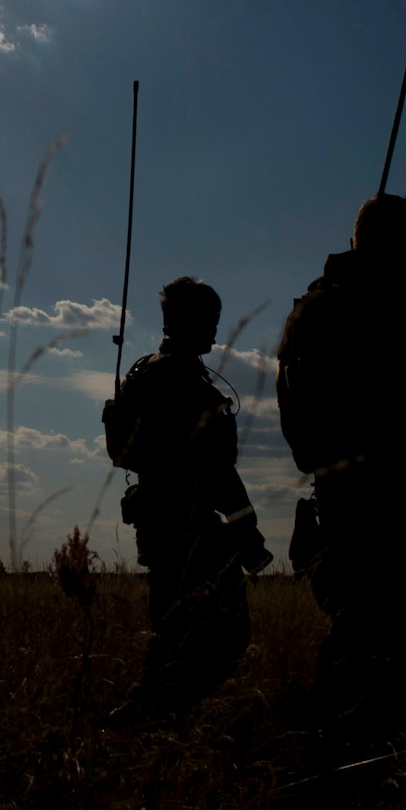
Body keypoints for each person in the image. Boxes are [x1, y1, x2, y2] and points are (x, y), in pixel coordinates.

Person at [276, 194, 406, 739]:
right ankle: (328, 753)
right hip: (358, 499)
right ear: (383, 244)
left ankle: (374, 752)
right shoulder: (327, 311)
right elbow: (310, 416)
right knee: (364, 626)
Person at [103, 276, 273, 717]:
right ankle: (154, 716)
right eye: (209, 319)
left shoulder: (147, 373)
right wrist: (247, 526)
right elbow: (215, 470)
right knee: (221, 634)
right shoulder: (182, 384)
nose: (215, 329)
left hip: (161, 522)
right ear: (188, 321)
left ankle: (157, 718)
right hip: (186, 527)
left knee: (173, 630)